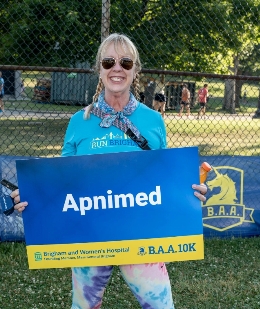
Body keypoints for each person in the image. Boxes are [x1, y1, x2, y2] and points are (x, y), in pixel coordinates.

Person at [11, 33, 207, 309]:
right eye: (109, 61)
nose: (117, 68)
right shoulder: (79, 121)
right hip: (89, 236)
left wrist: (190, 191)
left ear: (135, 70)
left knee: (162, 306)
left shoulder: (153, 121)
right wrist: (33, 195)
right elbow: (61, 181)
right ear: (99, 69)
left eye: (126, 62)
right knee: (84, 306)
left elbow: (163, 180)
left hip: (141, 235)